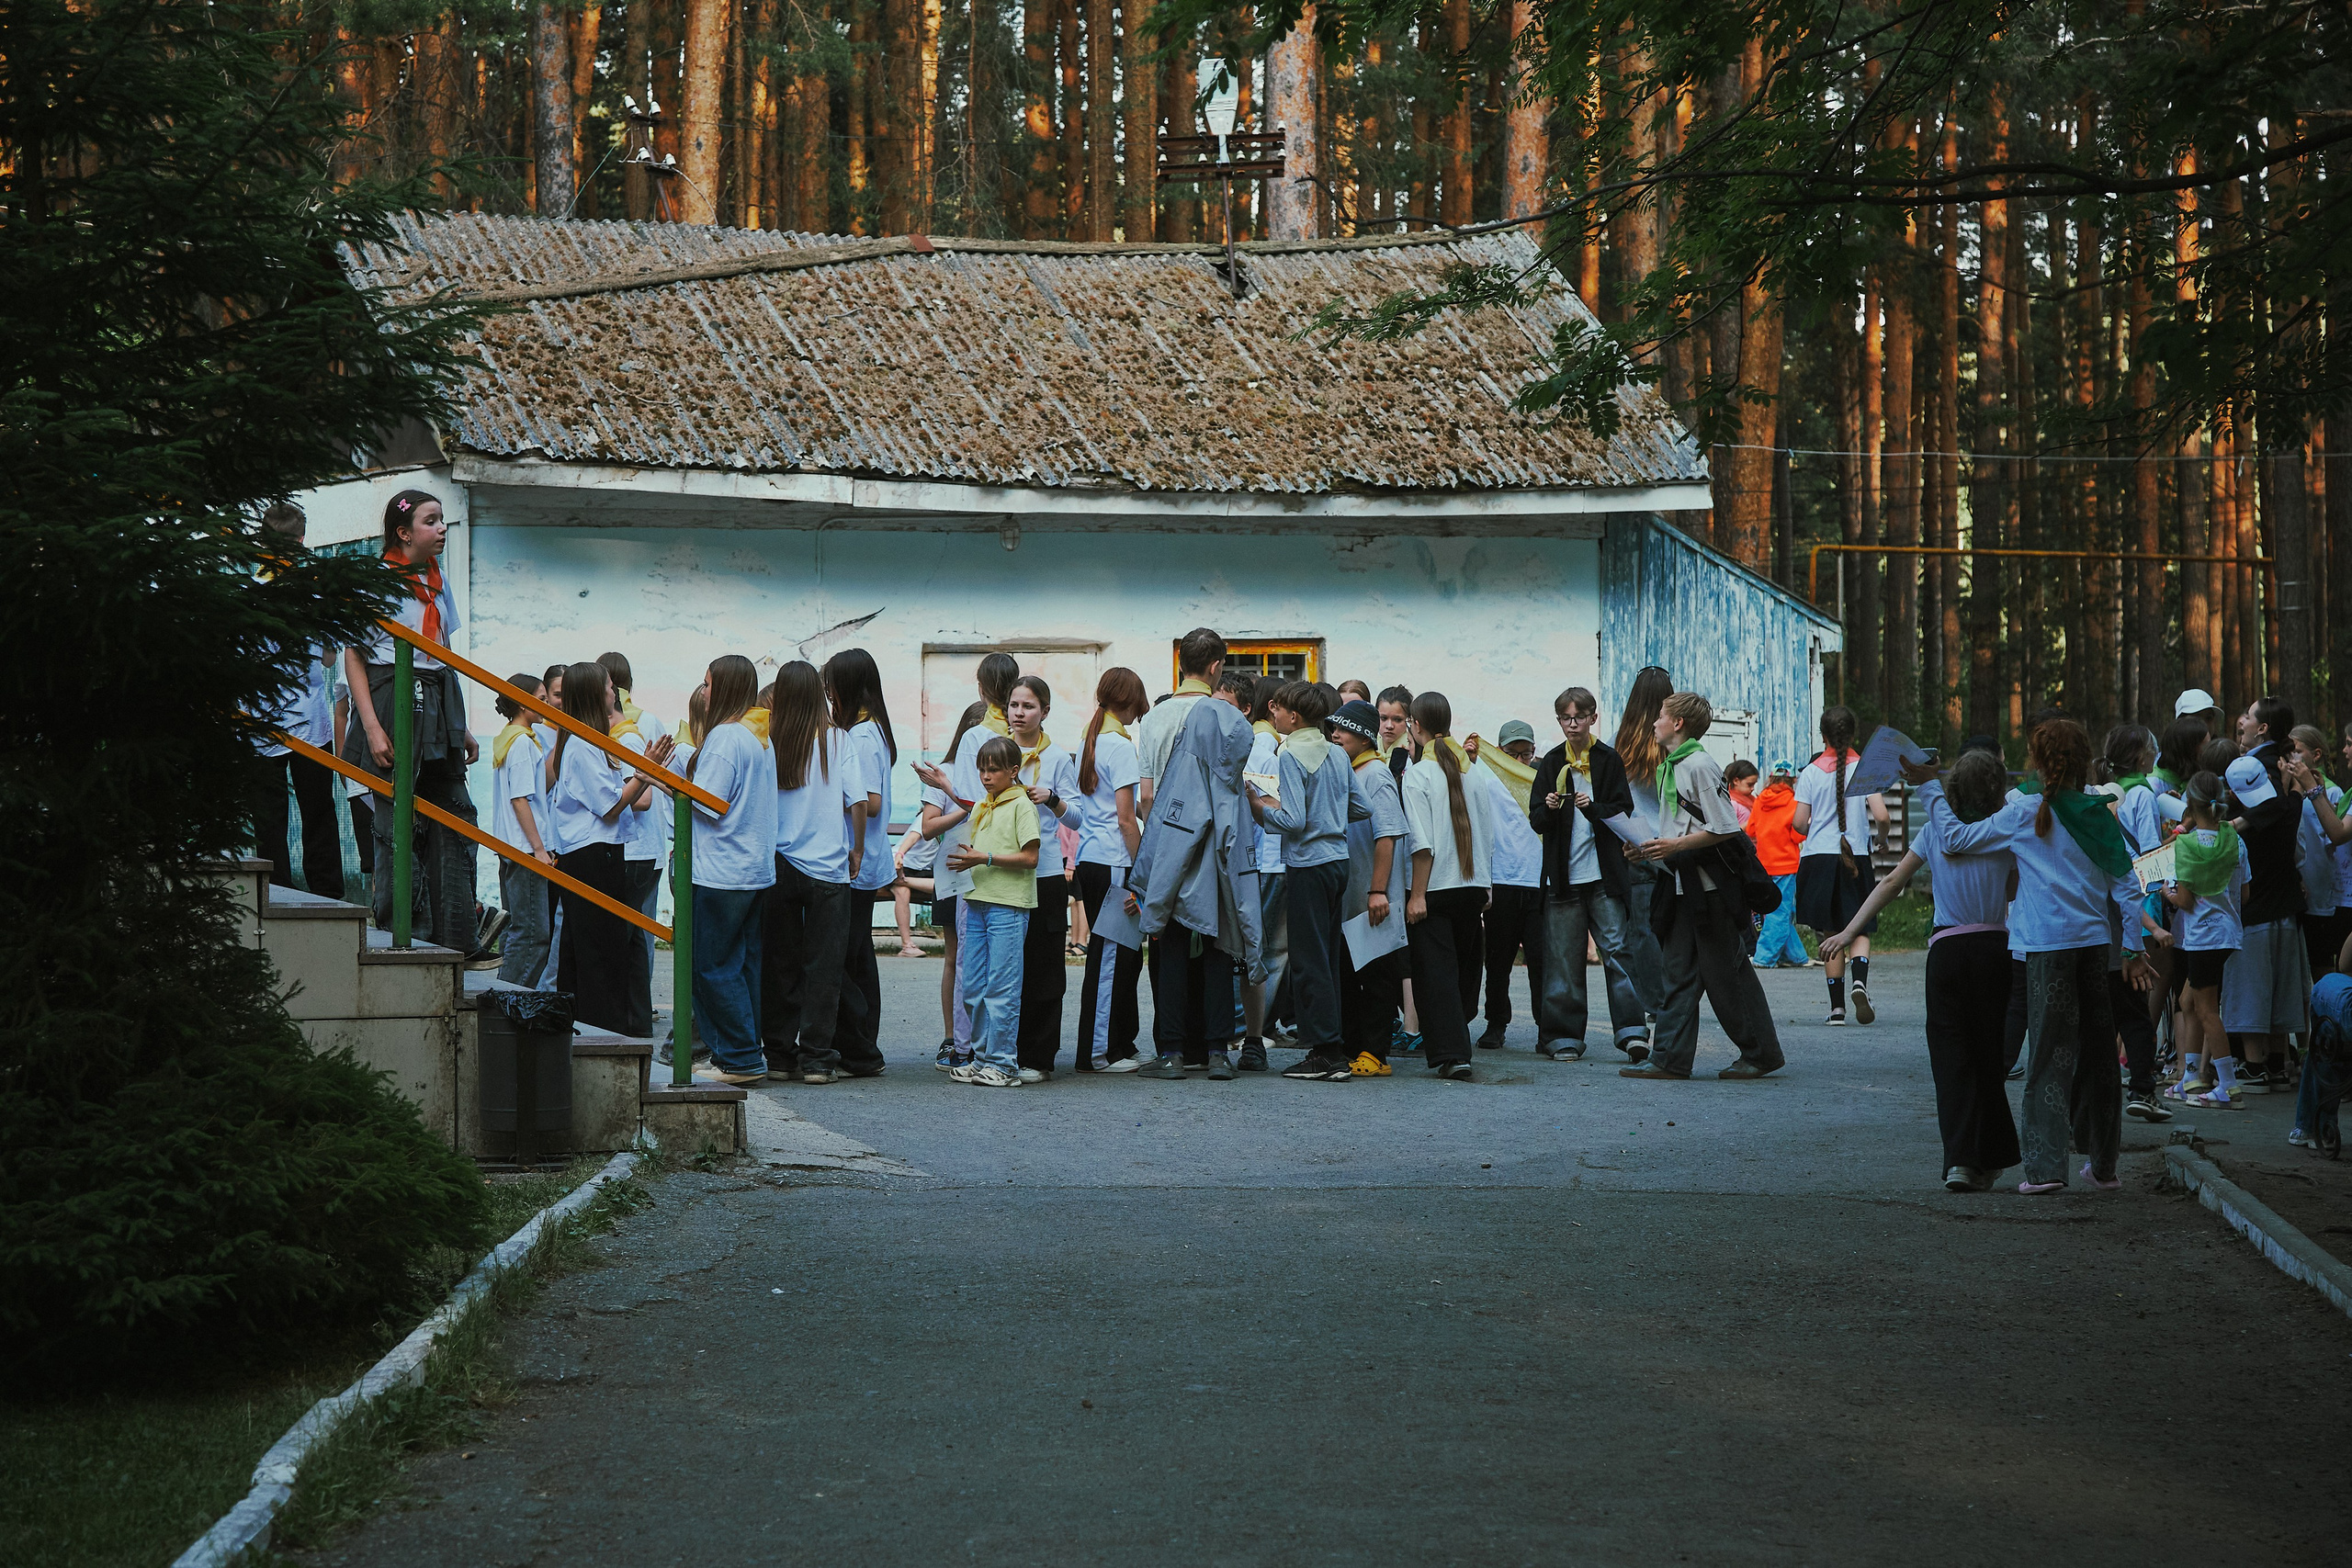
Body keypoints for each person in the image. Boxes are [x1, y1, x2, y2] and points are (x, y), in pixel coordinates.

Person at [1924, 717, 2153, 1193]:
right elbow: (2128, 888)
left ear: (2037, 761)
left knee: (2049, 1054)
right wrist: (2132, 948)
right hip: (2095, 948)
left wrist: (1929, 788)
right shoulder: (2097, 811)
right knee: (2100, 1058)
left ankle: (2047, 1170)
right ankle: (2104, 1167)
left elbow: (1955, 840)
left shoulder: (2022, 810)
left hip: (2044, 951)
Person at [1824, 750, 2020, 1190]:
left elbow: (1891, 883)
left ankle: (1960, 1161)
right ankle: (1991, 1156)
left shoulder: (1935, 830)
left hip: (1947, 952)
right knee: (1988, 1057)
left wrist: (1846, 931)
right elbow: (2012, 888)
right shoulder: (2005, 831)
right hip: (1992, 947)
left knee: (1951, 1060)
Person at [341, 490, 482, 955]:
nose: (442, 529)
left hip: (437, 699)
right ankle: (407, 939)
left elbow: (439, 655)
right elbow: (354, 656)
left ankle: (458, 935)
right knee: (398, 824)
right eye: (431, 521)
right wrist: (373, 728)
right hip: (391, 697)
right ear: (403, 533)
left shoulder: (438, 582)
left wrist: (458, 725)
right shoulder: (376, 581)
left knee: (455, 813)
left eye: (442, 520)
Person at [1620, 692, 1787, 1082]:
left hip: (1711, 890)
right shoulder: (1673, 766)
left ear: (1678, 724)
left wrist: (1674, 846)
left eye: (1660, 715)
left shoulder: (1698, 765)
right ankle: (1669, 1059)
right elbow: (1678, 831)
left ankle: (1762, 1054)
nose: (1654, 721)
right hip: (1683, 888)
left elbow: (1724, 827)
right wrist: (1646, 852)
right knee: (1676, 972)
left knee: (1728, 974)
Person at [1130, 673, 1261, 1079]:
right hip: (1223, 885)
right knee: (1219, 961)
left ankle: (1172, 1053)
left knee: (1170, 959)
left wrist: (1154, 900)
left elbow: (1172, 842)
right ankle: (1218, 1052)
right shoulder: (1234, 777)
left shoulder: (1186, 769)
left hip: (1182, 885)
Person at [546, 660, 673, 1036]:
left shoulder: (585, 740)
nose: (612, 693)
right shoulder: (584, 744)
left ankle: (595, 1028)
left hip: (595, 854)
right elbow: (611, 805)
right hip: (591, 857)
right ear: (592, 694)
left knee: (591, 949)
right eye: (606, 686)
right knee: (600, 954)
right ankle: (603, 1032)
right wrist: (644, 772)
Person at [1526, 686, 1648, 1061]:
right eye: (1566, 717)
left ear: (1594, 718)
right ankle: (1563, 1036)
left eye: (1580, 716)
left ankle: (1632, 1032)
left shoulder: (1608, 759)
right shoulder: (1550, 763)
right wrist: (1548, 807)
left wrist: (1592, 807)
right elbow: (1536, 820)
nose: (1573, 723)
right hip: (1564, 878)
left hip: (1603, 876)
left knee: (1617, 953)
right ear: (1559, 720)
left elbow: (1622, 810)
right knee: (1563, 959)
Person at [914, 655, 1022, 1068]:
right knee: (995, 961)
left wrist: (947, 787)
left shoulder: (980, 736)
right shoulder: (1026, 733)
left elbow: (969, 802)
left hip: (971, 858)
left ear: (980, 687)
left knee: (966, 959)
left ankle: (965, 1045)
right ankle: (985, 1045)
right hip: (1006, 857)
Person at [762, 660, 864, 1085]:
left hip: (778, 865)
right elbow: (856, 801)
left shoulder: (769, 740)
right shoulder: (838, 740)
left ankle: (780, 1056)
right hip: (827, 869)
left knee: (779, 963)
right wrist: (856, 848)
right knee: (824, 966)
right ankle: (818, 1059)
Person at [684, 656, 779, 1087]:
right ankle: (745, 1052)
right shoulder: (758, 735)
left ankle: (737, 1058)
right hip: (753, 868)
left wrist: (668, 779)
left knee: (712, 966)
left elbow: (707, 803)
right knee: (741, 965)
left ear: (723, 689)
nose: (702, 692)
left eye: (707, 684)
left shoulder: (725, 736)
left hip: (722, 870)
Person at [1252, 681, 1351, 1076]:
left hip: (1308, 863)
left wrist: (1259, 806)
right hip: (1337, 860)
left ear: (1294, 716)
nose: (1272, 714)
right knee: (1327, 956)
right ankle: (1333, 1045)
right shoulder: (1337, 753)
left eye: (1278, 710)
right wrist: (1330, 818)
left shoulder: (1291, 753)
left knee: (1308, 961)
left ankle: (1326, 1051)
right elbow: (1358, 808)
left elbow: (1294, 820)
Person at [254, 502, 345, 902]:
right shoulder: (316, 590)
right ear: (302, 539)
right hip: (309, 717)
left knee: (269, 816)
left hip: (258, 717)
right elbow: (328, 658)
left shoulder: (248, 588)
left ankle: (276, 894)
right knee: (319, 811)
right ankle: (327, 895)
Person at [1400, 693, 1494, 1082]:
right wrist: (1488, 887)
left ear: (1415, 727)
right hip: (1472, 886)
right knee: (1462, 968)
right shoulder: (1472, 773)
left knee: (1435, 972)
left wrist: (1417, 895)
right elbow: (1489, 834)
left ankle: (1453, 1053)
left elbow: (1422, 844)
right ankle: (1460, 1036)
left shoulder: (1418, 775)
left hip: (1435, 888)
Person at [1315, 700, 1410, 1080]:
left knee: (1377, 977)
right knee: (1351, 977)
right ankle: (1356, 1048)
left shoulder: (1375, 775)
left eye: (1344, 729)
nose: (1335, 735)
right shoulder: (1349, 771)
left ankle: (1375, 1052)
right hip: (1351, 896)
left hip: (1374, 898)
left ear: (1365, 735)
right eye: (1333, 728)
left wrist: (1377, 890)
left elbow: (1387, 835)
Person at [938, 736, 1039, 1088]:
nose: (986, 776)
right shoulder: (984, 805)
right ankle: (981, 1058)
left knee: (1002, 988)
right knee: (973, 986)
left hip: (1008, 906)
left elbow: (1031, 858)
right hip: (977, 901)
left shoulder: (1021, 805)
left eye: (994, 769)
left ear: (1013, 771)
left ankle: (1003, 1063)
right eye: (982, 769)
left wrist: (986, 858)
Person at [2222, 699, 2307, 1094]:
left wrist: (2233, 824)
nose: (2241, 720)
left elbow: (2268, 815)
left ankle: (2254, 1066)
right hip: (2285, 895)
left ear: (2263, 728)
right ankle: (2276, 1062)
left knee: (2253, 982)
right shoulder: (2287, 770)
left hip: (2255, 894)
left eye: (2249, 716)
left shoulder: (2261, 769)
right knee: (2280, 983)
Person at [1072, 668, 1150, 1072]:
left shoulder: (1092, 739)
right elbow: (1126, 819)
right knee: (1109, 960)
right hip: (1114, 860)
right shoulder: (1119, 746)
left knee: (1121, 957)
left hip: (1092, 857)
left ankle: (1119, 1042)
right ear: (1132, 701)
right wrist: (1144, 866)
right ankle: (1100, 1053)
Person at [1793, 705, 1890, 1025]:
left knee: (1830, 931)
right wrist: (1882, 839)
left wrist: (1815, 830)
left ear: (1823, 735)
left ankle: (1837, 1010)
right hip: (1855, 856)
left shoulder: (1809, 773)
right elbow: (1882, 816)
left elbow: (1799, 823)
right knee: (1858, 924)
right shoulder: (1865, 768)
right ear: (1852, 734)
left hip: (1818, 858)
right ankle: (1859, 982)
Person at [825, 648, 897, 1078]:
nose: (828, 693)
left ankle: (858, 1045)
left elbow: (869, 803)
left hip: (859, 858)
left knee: (847, 957)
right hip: (864, 858)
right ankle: (862, 1041)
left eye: (832, 684)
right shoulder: (869, 729)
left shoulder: (864, 736)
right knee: (858, 954)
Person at [1007, 674, 1083, 1079]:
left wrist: (1052, 800)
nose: (1020, 712)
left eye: (1029, 706)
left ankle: (1038, 1056)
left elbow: (1078, 816)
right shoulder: (996, 752)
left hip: (1046, 873)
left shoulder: (1056, 760)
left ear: (1045, 712)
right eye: (1015, 705)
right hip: (1002, 872)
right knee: (1003, 966)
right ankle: (1000, 1051)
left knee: (1044, 967)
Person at [2161, 771, 2249, 1109]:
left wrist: (2168, 893)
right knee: (2188, 1000)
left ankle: (2228, 1086)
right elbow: (2245, 890)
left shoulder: (2186, 845)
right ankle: (2191, 1078)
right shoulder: (2234, 839)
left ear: (2189, 805)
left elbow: (2183, 901)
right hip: (2227, 932)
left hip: (2202, 936)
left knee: (2207, 1009)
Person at [1608, 666, 1675, 1038]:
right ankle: (1669, 997)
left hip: (1630, 842)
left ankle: (1653, 1002)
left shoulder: (1622, 742)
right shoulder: (1669, 742)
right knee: (1664, 928)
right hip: (1670, 845)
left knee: (1638, 931)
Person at [1470, 728, 1544, 1049]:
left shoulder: (1543, 779)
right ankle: (1496, 1024)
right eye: (1511, 754)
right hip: (1501, 880)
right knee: (1498, 962)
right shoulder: (1485, 777)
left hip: (1539, 882)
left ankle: (1548, 1029)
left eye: (1524, 754)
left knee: (1542, 962)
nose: (1518, 760)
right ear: (1498, 750)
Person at [489, 675, 556, 987]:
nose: (546, 704)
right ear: (522, 702)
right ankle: (511, 997)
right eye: (541, 698)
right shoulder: (522, 744)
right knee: (533, 934)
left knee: (520, 928)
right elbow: (521, 800)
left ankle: (505, 992)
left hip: (512, 847)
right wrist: (539, 848)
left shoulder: (510, 739)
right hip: (525, 849)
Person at [1240, 677, 1292, 1065]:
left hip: (1260, 859)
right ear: (1272, 706)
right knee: (1269, 950)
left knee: (1257, 947)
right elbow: (1271, 801)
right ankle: (1249, 1029)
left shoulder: (1256, 742)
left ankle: (1253, 1027)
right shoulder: (1266, 746)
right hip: (1270, 859)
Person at [1136, 627, 1224, 818]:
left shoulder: (1151, 718)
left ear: (1181, 667)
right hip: (1209, 833)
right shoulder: (1224, 716)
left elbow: (1146, 795)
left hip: (1165, 830)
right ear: (1214, 667)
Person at [1746, 759, 1810, 968]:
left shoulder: (1759, 801)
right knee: (1780, 913)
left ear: (1770, 778)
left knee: (1780, 911)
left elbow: (1751, 831)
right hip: (1786, 865)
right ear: (1792, 780)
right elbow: (1798, 835)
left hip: (1764, 864)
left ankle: (1797, 957)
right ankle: (1765, 957)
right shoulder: (1794, 803)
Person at [1724, 759, 1759, 828]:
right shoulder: (1732, 804)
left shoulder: (1751, 800)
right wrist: (1753, 821)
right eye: (1749, 784)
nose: (1753, 788)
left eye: (1754, 784)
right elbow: (1729, 832)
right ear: (1736, 781)